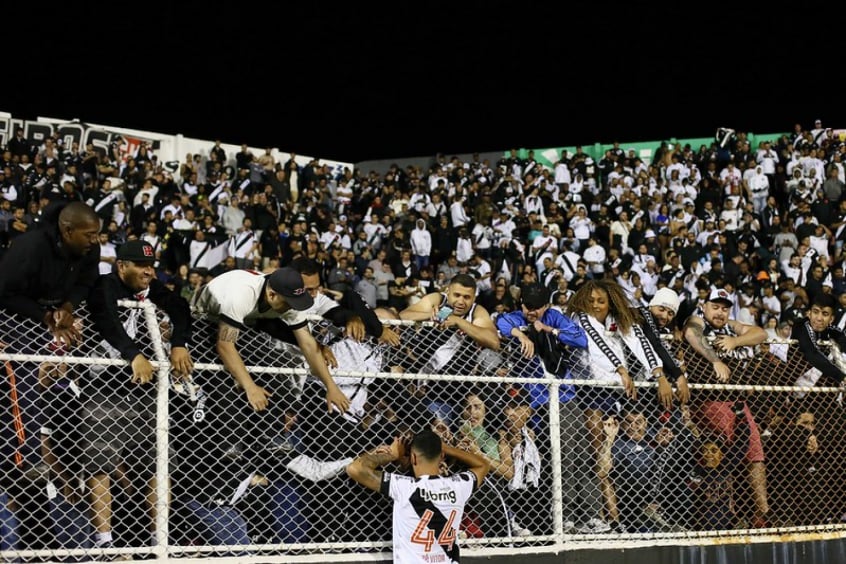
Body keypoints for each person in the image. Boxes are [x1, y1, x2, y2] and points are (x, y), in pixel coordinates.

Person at [82, 239, 194, 549]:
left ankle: (161, 539)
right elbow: (105, 318)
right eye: (142, 266)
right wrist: (133, 354)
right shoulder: (105, 285)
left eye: (151, 265)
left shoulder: (151, 287)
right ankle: (105, 543)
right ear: (122, 266)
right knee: (100, 463)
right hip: (103, 389)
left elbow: (180, 306)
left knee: (158, 464)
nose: (149, 272)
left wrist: (179, 342)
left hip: (143, 391)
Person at [0, 201, 100, 472]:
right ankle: (22, 461)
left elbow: (87, 282)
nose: (96, 240)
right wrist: (45, 317)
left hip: (51, 314)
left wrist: (68, 307)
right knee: (22, 383)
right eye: (89, 235)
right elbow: (5, 294)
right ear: (67, 231)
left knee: (49, 381)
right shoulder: (30, 247)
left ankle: (43, 461)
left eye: (97, 234)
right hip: (12, 316)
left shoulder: (90, 248)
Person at [564, 278, 666, 533]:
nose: (596, 306)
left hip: (611, 392)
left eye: (601, 301)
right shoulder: (581, 319)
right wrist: (622, 369)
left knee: (606, 457)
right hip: (588, 389)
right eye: (591, 301)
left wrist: (659, 374)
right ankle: (595, 516)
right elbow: (598, 347)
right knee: (597, 453)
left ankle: (611, 518)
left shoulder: (617, 320)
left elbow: (641, 343)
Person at [494, 284, 588, 532]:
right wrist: (520, 334)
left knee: (576, 456)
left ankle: (577, 515)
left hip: (565, 398)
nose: (530, 312)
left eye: (536, 308)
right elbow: (500, 323)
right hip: (534, 403)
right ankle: (554, 517)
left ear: (546, 306)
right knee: (547, 458)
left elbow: (580, 338)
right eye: (526, 306)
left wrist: (549, 329)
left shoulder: (554, 317)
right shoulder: (516, 318)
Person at [682, 287, 770, 528]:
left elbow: (760, 333)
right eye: (715, 306)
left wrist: (735, 340)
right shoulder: (697, 319)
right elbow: (691, 333)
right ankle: (726, 513)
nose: (720, 312)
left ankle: (761, 514)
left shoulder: (731, 326)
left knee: (755, 453)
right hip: (709, 400)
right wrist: (716, 360)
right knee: (734, 452)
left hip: (737, 403)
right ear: (705, 306)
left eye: (724, 307)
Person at [346, 428, 489, 564]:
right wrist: (446, 448)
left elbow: (354, 468)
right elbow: (483, 465)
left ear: (413, 458)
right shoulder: (458, 486)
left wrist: (392, 454)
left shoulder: (404, 487)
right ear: (442, 456)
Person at [397, 273, 500, 425]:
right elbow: (403, 315)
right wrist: (429, 315)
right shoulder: (438, 299)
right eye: (457, 295)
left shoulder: (476, 311)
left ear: (473, 298)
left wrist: (458, 321)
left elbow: (494, 342)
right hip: (421, 384)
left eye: (466, 297)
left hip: (454, 392)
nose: (460, 301)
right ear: (448, 291)